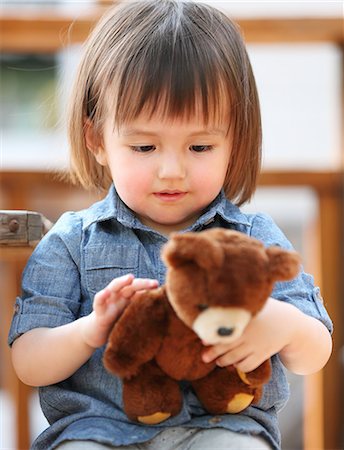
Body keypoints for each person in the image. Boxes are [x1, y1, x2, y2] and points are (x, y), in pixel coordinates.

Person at [8, 1, 332, 449]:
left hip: (225, 428)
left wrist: (283, 324)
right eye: (144, 147)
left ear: (233, 142)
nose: (172, 171)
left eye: (199, 147)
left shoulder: (251, 238)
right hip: (97, 431)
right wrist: (89, 331)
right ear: (97, 139)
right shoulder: (72, 240)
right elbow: (28, 361)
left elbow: (316, 349)